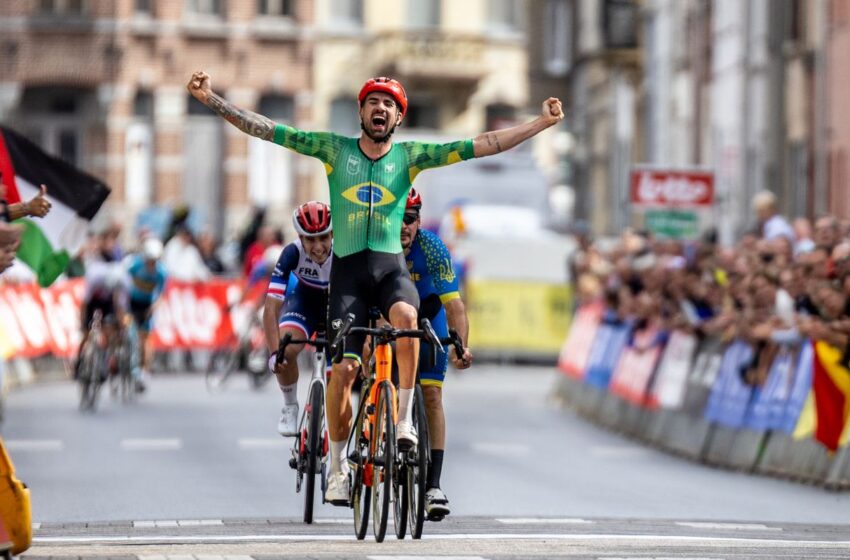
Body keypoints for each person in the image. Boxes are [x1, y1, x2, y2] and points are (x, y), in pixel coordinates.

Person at [188, 70, 563, 505]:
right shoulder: (334, 149)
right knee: (343, 371)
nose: (380, 109)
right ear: (361, 111)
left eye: (390, 105)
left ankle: (402, 421)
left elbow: (481, 145)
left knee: (406, 320)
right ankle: (337, 470)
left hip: (389, 271)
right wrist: (212, 99)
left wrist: (540, 124)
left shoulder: (411, 156)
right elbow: (270, 131)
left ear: (398, 117)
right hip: (348, 275)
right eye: (373, 102)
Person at [400, 188, 472, 519]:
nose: (404, 227)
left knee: (431, 396)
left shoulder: (431, 247)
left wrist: (462, 346)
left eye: (411, 219)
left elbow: (454, 306)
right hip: (390, 316)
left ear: (419, 221)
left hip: (430, 317)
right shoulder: (378, 244)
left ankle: (433, 486)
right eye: (398, 218)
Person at [262, 202, 333, 436]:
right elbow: (271, 308)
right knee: (286, 346)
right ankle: (290, 404)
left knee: (342, 373)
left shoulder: (345, 249)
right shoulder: (291, 253)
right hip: (306, 301)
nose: (318, 247)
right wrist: (275, 355)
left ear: (332, 233)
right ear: (300, 238)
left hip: (337, 304)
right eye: (310, 240)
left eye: (323, 238)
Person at [126, 237, 167, 389]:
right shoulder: (136, 265)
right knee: (128, 331)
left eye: (154, 261)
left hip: (146, 305)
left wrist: (154, 307)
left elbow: (161, 294)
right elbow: (124, 280)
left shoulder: (162, 273)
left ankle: (144, 370)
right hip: (131, 301)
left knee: (146, 339)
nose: (151, 265)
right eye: (149, 261)